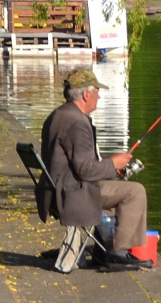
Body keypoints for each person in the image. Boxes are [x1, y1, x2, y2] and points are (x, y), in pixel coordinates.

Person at [39, 67, 149, 272]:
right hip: (71, 195)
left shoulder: (59, 115)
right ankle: (117, 254)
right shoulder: (77, 123)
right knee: (135, 192)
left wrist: (109, 165)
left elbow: (78, 163)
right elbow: (85, 171)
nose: (99, 96)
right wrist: (113, 164)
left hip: (56, 190)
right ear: (86, 94)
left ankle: (102, 251)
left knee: (116, 189)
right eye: (97, 91)